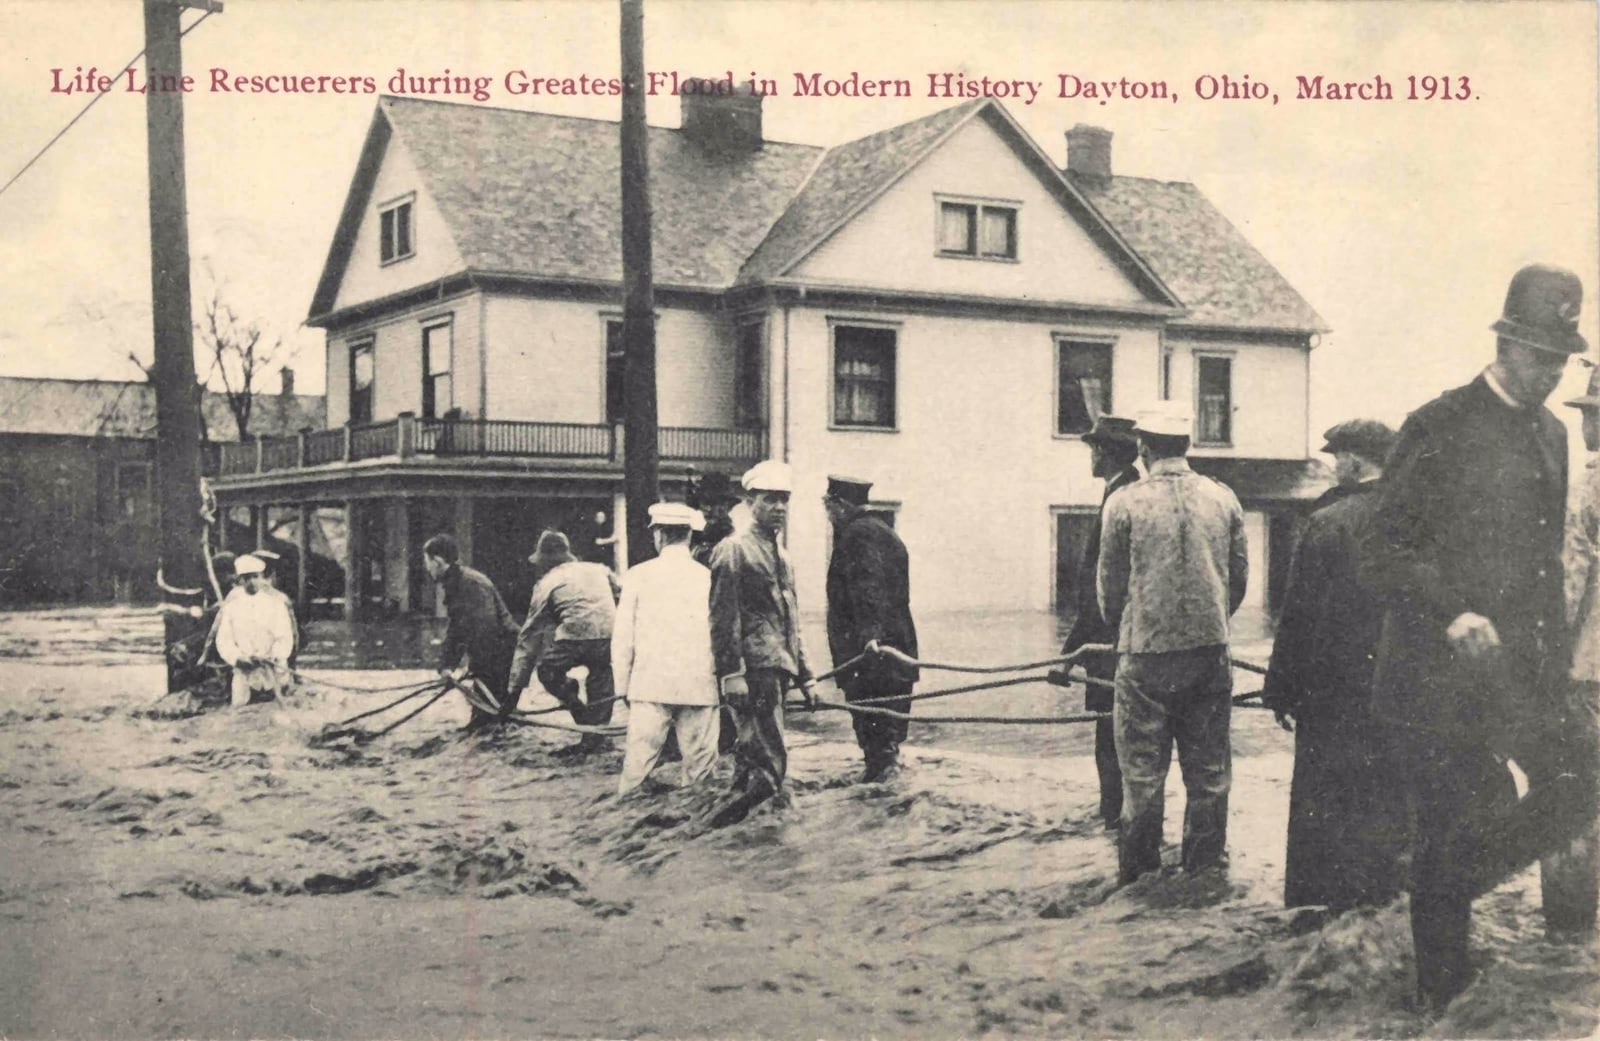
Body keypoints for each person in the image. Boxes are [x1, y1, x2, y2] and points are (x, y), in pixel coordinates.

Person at [1364, 263, 1598, 1010]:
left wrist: (1556, 666)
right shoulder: (1438, 424)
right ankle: (1443, 999)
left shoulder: (1556, 435)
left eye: (1561, 361)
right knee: (1446, 819)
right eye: (1538, 357)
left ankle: (1457, 876)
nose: (1549, 374)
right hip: (1433, 673)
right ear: (1504, 343)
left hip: (1519, 675)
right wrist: (1450, 611)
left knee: (1583, 774)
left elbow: (1544, 566)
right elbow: (1381, 548)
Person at [1097, 401, 1248, 885]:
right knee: (1209, 774)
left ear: (1142, 447)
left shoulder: (1125, 503)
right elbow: (1238, 580)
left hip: (1144, 655)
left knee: (1141, 776)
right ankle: (1203, 874)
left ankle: (1140, 879)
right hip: (1209, 653)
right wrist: (1210, 623)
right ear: (1187, 446)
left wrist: (1132, 627)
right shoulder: (1223, 499)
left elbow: (1109, 587)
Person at [1262, 418, 1407, 912]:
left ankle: (1326, 909)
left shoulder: (1330, 522)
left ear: (1355, 460)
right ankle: (1387, 901)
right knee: (1390, 796)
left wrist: (1280, 690)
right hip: (1398, 688)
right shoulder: (1418, 518)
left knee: (1326, 800)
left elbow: (1298, 617)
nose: (1333, 464)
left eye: (1337, 456)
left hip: (1334, 692)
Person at [708, 460, 814, 825]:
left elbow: (791, 619)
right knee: (769, 757)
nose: (779, 508)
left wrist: (807, 674)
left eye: (784, 500)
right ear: (750, 501)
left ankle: (735, 833)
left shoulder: (783, 557)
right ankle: (734, 829)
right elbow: (723, 618)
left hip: (777, 668)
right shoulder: (734, 549)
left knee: (753, 755)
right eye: (770, 499)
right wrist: (730, 674)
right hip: (752, 670)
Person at [1055, 414, 1140, 829]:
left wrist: (1070, 652)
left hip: (1114, 646)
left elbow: (1100, 589)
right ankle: (1120, 822)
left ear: (1105, 453)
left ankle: (1116, 823)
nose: (1090, 457)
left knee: (1112, 739)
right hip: (1117, 643)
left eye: (1093, 449)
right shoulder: (1119, 492)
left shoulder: (1123, 497)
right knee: (1117, 738)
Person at [613, 503, 721, 795]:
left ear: (658, 535)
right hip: (699, 685)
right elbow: (721, 633)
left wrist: (622, 686)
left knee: (636, 771)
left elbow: (623, 637)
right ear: (689, 536)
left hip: (649, 685)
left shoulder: (637, 575)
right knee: (701, 778)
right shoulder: (709, 577)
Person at [823, 474, 919, 782]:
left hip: (870, 658)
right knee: (888, 735)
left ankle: (879, 797)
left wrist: (870, 638)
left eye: (828, 506)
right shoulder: (886, 532)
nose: (828, 514)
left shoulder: (856, 535)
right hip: (897, 653)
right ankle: (887, 794)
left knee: (874, 736)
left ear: (840, 505)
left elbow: (869, 587)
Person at [1552, 364, 1600, 941]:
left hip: (1590, 665)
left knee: (1571, 788)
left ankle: (1569, 929)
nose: (1586, 426)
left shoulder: (1590, 481)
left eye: (1591, 415)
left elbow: (1571, 572)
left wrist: (1549, 654)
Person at [507, 529, 620, 754]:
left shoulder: (546, 583)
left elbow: (529, 639)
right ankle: (595, 733)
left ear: (545, 561)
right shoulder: (599, 569)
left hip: (575, 640)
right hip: (610, 637)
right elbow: (621, 593)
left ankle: (580, 712)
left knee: (547, 671)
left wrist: (513, 693)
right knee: (602, 674)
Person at [421, 533, 519, 731]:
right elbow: (458, 628)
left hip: (501, 652)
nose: (426, 567)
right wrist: (447, 666)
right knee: (485, 719)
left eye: (427, 562)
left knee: (489, 720)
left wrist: (472, 665)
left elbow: (485, 629)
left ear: (438, 561)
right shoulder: (456, 582)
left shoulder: (470, 584)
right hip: (495, 653)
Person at [213, 554, 296, 708]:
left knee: (278, 713)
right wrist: (238, 659)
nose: (251, 582)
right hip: (244, 675)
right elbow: (224, 640)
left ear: (262, 577)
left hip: (273, 671)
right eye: (246, 578)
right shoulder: (231, 607)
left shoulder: (276, 605)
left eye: (255, 577)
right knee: (241, 717)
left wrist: (274, 656)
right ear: (239, 581)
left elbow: (284, 637)